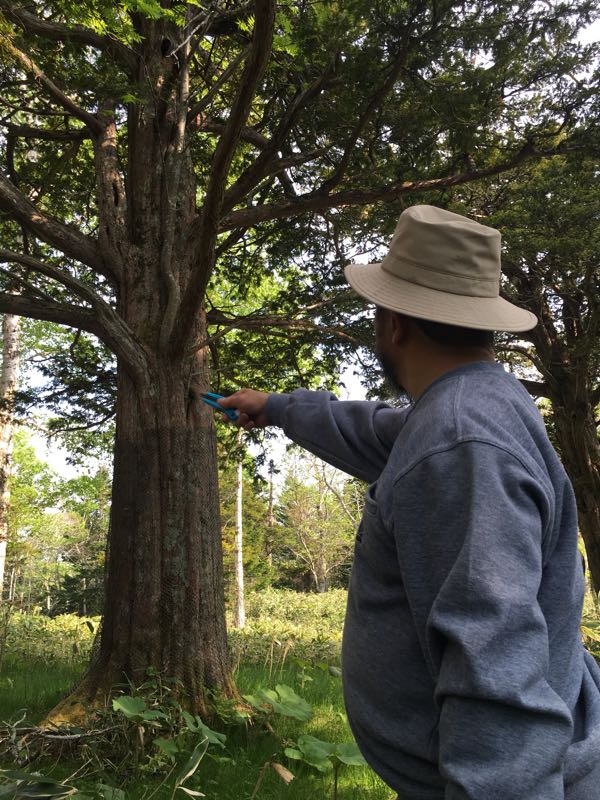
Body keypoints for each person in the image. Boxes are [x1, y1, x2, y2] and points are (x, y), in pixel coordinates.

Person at [219, 205, 600, 800]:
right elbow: (377, 432)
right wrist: (278, 407)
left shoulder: (459, 443)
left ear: (394, 323)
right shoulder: (476, 405)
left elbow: (494, 664)